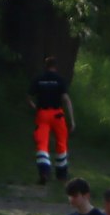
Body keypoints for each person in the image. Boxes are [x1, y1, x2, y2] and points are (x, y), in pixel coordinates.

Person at [29, 57, 76, 185]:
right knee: (61, 143)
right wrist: (72, 120)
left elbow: (29, 97)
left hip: (42, 114)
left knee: (42, 143)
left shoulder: (39, 79)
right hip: (57, 115)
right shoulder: (60, 80)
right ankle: (61, 174)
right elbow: (66, 100)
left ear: (45, 66)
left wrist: (35, 108)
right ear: (55, 66)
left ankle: (44, 171)